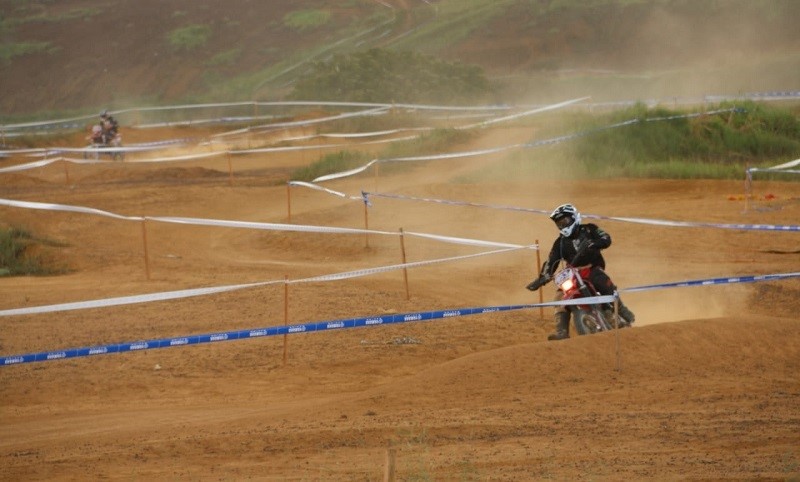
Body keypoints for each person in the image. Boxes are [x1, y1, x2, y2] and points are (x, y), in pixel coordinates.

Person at [526, 203, 635, 340]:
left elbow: (606, 238)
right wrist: (543, 277)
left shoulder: (590, 229)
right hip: (572, 273)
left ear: (574, 218)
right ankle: (562, 331)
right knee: (559, 297)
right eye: (559, 223)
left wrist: (594, 243)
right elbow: (551, 260)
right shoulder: (560, 242)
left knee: (600, 280)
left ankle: (622, 310)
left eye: (565, 221)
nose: (562, 225)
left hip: (591, 267)